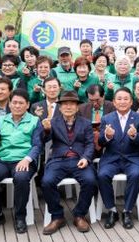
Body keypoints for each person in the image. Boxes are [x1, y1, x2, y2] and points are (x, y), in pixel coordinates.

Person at [0, 89, 43, 234]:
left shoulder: (34, 121)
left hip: (24, 160)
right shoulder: (1, 119)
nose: (17, 106)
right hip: (2, 160)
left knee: (21, 178)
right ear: (10, 104)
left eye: (21, 103)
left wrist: (27, 159)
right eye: (14, 102)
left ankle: (20, 217)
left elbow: (37, 145)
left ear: (27, 105)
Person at [41, 90, 97, 234]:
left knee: (90, 181)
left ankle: (79, 215)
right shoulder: (52, 122)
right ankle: (57, 216)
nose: (68, 107)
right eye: (65, 104)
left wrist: (86, 158)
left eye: (72, 104)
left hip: (79, 160)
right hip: (58, 160)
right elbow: (44, 140)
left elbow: (90, 144)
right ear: (60, 108)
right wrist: (46, 130)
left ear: (77, 107)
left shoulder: (85, 123)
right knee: (47, 182)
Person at [97, 88, 139, 229]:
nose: (122, 102)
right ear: (114, 102)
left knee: (135, 175)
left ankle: (127, 210)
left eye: (126, 99)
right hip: (111, 158)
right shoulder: (107, 118)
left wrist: (134, 136)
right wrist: (107, 136)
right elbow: (100, 142)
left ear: (131, 102)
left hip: (132, 158)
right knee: (102, 175)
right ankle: (112, 210)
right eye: (119, 99)